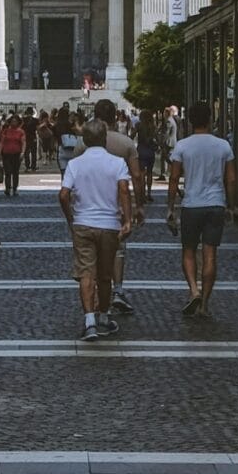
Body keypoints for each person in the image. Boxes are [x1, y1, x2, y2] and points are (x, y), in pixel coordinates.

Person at [60, 118, 134, 339]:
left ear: (84, 139)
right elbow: (123, 191)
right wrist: (128, 219)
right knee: (105, 274)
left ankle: (89, 321)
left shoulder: (75, 164)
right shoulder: (117, 163)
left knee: (85, 273)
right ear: (104, 138)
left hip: (83, 223)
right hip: (110, 225)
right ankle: (103, 315)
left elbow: (63, 195)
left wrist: (70, 217)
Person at [168, 101, 237, 319]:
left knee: (188, 251)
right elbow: (232, 178)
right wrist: (231, 205)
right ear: (210, 119)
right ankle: (205, 304)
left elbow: (173, 179)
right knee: (210, 255)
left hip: (191, 205)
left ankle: (194, 290)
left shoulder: (182, 146)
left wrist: (170, 208)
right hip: (215, 204)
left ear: (190, 121)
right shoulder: (223, 145)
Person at [91, 99, 145, 315]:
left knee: (93, 251)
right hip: (117, 205)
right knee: (117, 250)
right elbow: (137, 175)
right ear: (115, 117)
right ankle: (118, 290)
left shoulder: (83, 143)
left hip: (91, 205)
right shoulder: (125, 144)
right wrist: (139, 205)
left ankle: (95, 296)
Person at [0, 112, 26, 196]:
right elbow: (2, 142)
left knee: (15, 172)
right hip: (6, 154)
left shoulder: (21, 132)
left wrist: (22, 152)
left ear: (18, 122)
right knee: (8, 172)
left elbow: (23, 142)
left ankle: (15, 188)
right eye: (12, 121)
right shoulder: (6, 131)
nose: (13, 123)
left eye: (15, 121)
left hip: (16, 154)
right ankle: (7, 188)